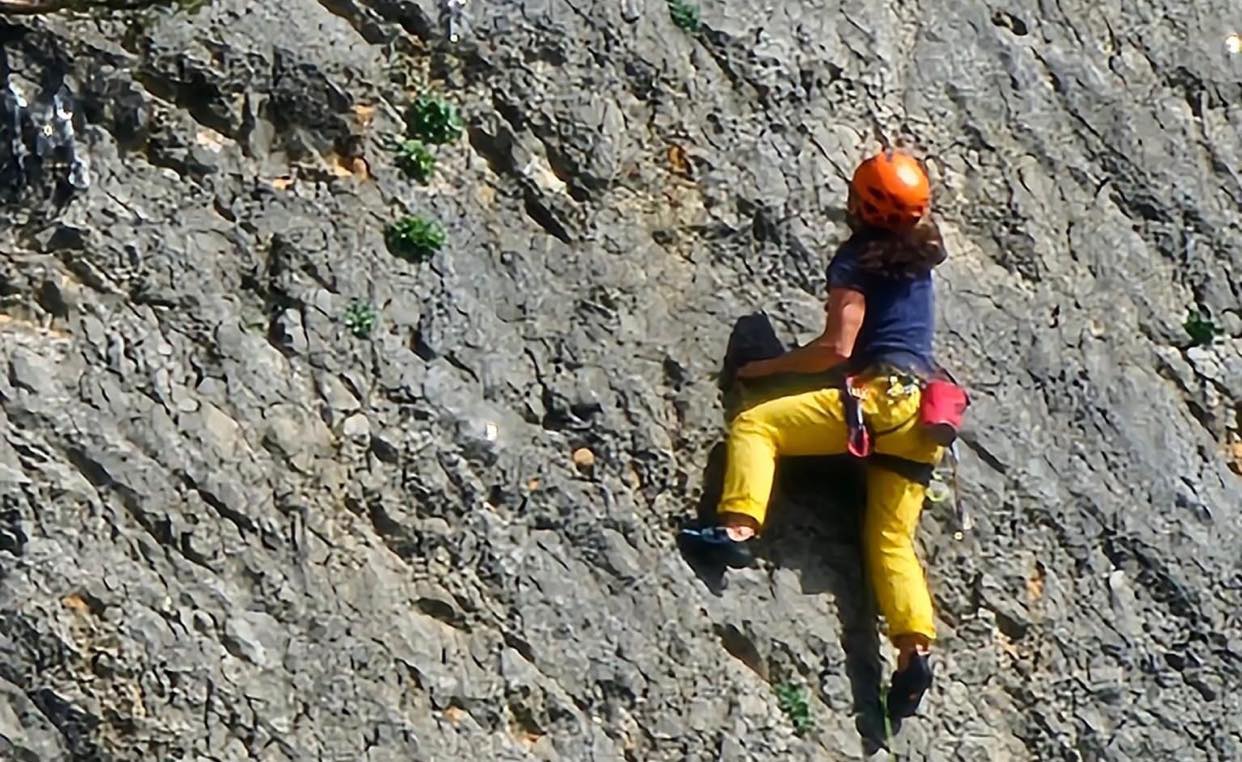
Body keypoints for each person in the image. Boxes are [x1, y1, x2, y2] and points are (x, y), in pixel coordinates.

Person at [680, 148, 951, 720]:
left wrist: (763, 370)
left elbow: (837, 348)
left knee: (756, 424)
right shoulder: (921, 253)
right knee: (891, 541)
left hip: (880, 402)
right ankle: (913, 650)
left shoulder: (856, 260)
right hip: (922, 420)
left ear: (865, 205)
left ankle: (737, 526)